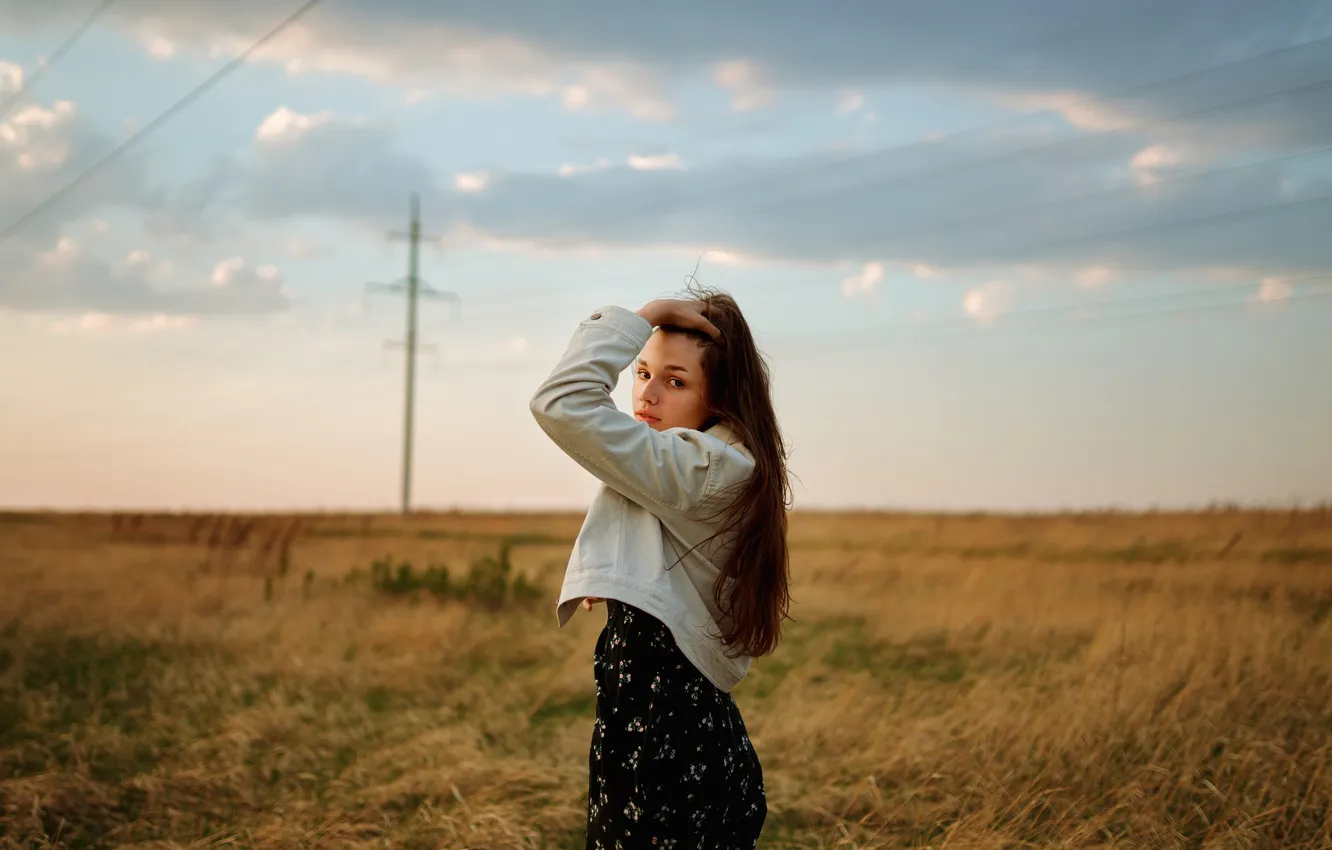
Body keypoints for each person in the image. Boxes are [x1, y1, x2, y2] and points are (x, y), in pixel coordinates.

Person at [529, 285, 791, 847]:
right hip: (656, 725)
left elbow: (562, 401)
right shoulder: (708, 459)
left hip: (668, 737)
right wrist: (617, 577)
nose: (647, 395)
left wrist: (642, 318)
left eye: (675, 381)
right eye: (641, 372)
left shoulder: (705, 468)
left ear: (719, 398)